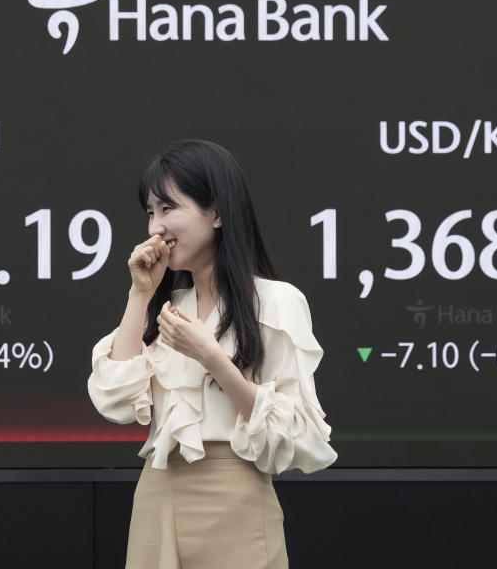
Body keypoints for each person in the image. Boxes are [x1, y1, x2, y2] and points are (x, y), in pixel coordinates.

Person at [87, 139, 337, 569]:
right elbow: (117, 402)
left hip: (234, 499)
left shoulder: (275, 302)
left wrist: (213, 359)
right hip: (156, 494)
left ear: (217, 213)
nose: (155, 228)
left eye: (169, 209)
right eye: (150, 212)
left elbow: (303, 437)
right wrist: (139, 294)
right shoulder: (166, 310)